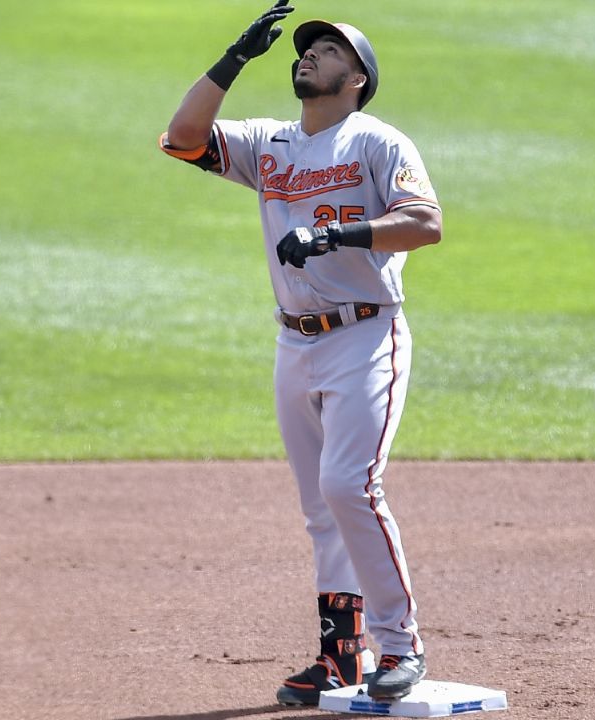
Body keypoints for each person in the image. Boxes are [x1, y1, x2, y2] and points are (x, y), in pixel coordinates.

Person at [159, 1, 442, 704]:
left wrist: (334, 237)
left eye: (330, 49)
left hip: (365, 334)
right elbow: (183, 139)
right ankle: (339, 657)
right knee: (322, 506)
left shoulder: (376, 142)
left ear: (358, 79)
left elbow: (424, 222)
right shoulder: (270, 142)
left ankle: (401, 647)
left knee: (350, 487)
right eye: (306, 47)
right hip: (295, 340)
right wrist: (234, 58)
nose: (310, 53)